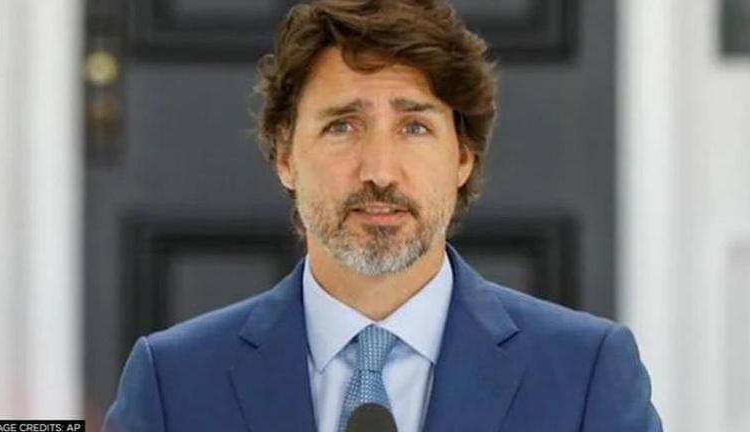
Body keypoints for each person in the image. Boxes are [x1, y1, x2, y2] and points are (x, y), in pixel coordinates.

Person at [104, 0, 662, 431]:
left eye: (414, 126)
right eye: (342, 126)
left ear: (463, 155)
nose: (379, 171)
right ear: (285, 155)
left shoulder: (584, 375)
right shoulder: (173, 382)